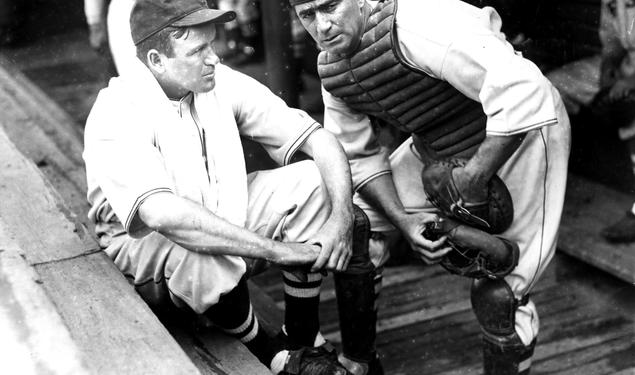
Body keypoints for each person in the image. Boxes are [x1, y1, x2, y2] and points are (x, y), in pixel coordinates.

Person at [82, 0, 384, 373]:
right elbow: (165, 215)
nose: (215, 59)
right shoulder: (117, 109)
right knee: (197, 244)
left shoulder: (214, 80)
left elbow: (318, 140)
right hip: (142, 255)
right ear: (157, 61)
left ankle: (302, 338)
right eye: (198, 51)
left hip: (212, 212)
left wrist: (340, 218)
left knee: (312, 181)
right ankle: (267, 350)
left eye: (212, 44)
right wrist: (279, 251)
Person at [291, 0, 571, 374]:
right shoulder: (334, 67)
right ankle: (361, 362)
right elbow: (357, 156)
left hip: (524, 135)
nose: (322, 25)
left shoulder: (419, 21)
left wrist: (474, 178)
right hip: (440, 144)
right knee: (361, 223)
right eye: (307, 14)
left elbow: (525, 90)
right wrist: (403, 221)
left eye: (330, 6)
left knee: (501, 296)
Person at [548, 0, 635, 243]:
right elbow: (613, 40)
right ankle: (542, 190)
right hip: (624, 64)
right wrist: (609, 69)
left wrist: (628, 83)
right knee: (550, 88)